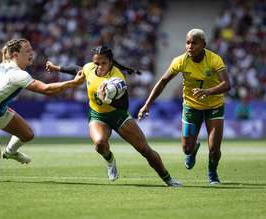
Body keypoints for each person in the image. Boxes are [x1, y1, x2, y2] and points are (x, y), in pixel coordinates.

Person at [46, 45, 182, 187]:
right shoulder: (89, 68)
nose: (99, 66)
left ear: (110, 62)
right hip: (98, 115)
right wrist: (57, 68)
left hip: (119, 115)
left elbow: (124, 106)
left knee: (145, 150)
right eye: (96, 63)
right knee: (99, 144)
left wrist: (109, 99)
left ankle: (168, 179)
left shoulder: (117, 78)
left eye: (103, 63)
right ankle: (110, 160)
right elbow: (77, 69)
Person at [0, 38, 84, 181]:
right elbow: (46, 90)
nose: (32, 53)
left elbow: (7, 53)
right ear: (15, 55)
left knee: (27, 134)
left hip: (0, 111)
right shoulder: (18, 75)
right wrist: (74, 83)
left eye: (31, 49)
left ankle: (10, 152)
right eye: (27, 51)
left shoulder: (6, 64)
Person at [138, 29, 231, 185]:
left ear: (203, 45)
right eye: (188, 42)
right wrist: (147, 104)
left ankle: (212, 173)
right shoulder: (180, 61)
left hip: (214, 106)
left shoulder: (215, 60)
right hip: (191, 107)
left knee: (214, 148)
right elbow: (162, 82)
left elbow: (227, 84)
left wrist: (207, 92)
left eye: (194, 43)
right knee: (186, 149)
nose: (190, 46)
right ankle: (193, 149)